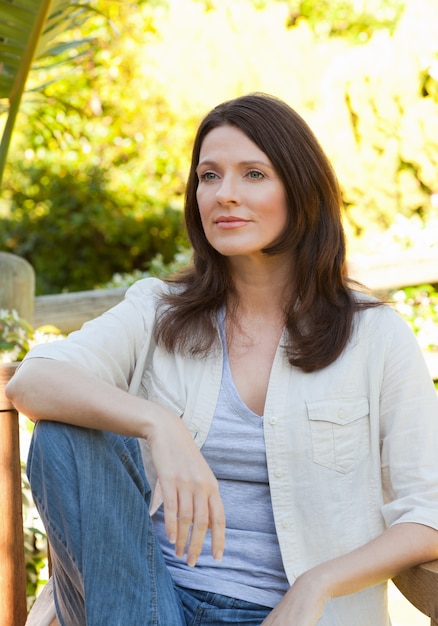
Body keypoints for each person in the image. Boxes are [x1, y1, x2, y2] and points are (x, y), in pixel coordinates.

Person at [6, 93, 438, 626]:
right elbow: (34, 379)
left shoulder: (374, 335)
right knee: (63, 437)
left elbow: (429, 512)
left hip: (285, 614)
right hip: (149, 600)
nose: (224, 195)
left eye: (253, 174)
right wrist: (160, 425)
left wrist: (318, 583)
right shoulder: (157, 309)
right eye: (209, 176)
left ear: (302, 191)